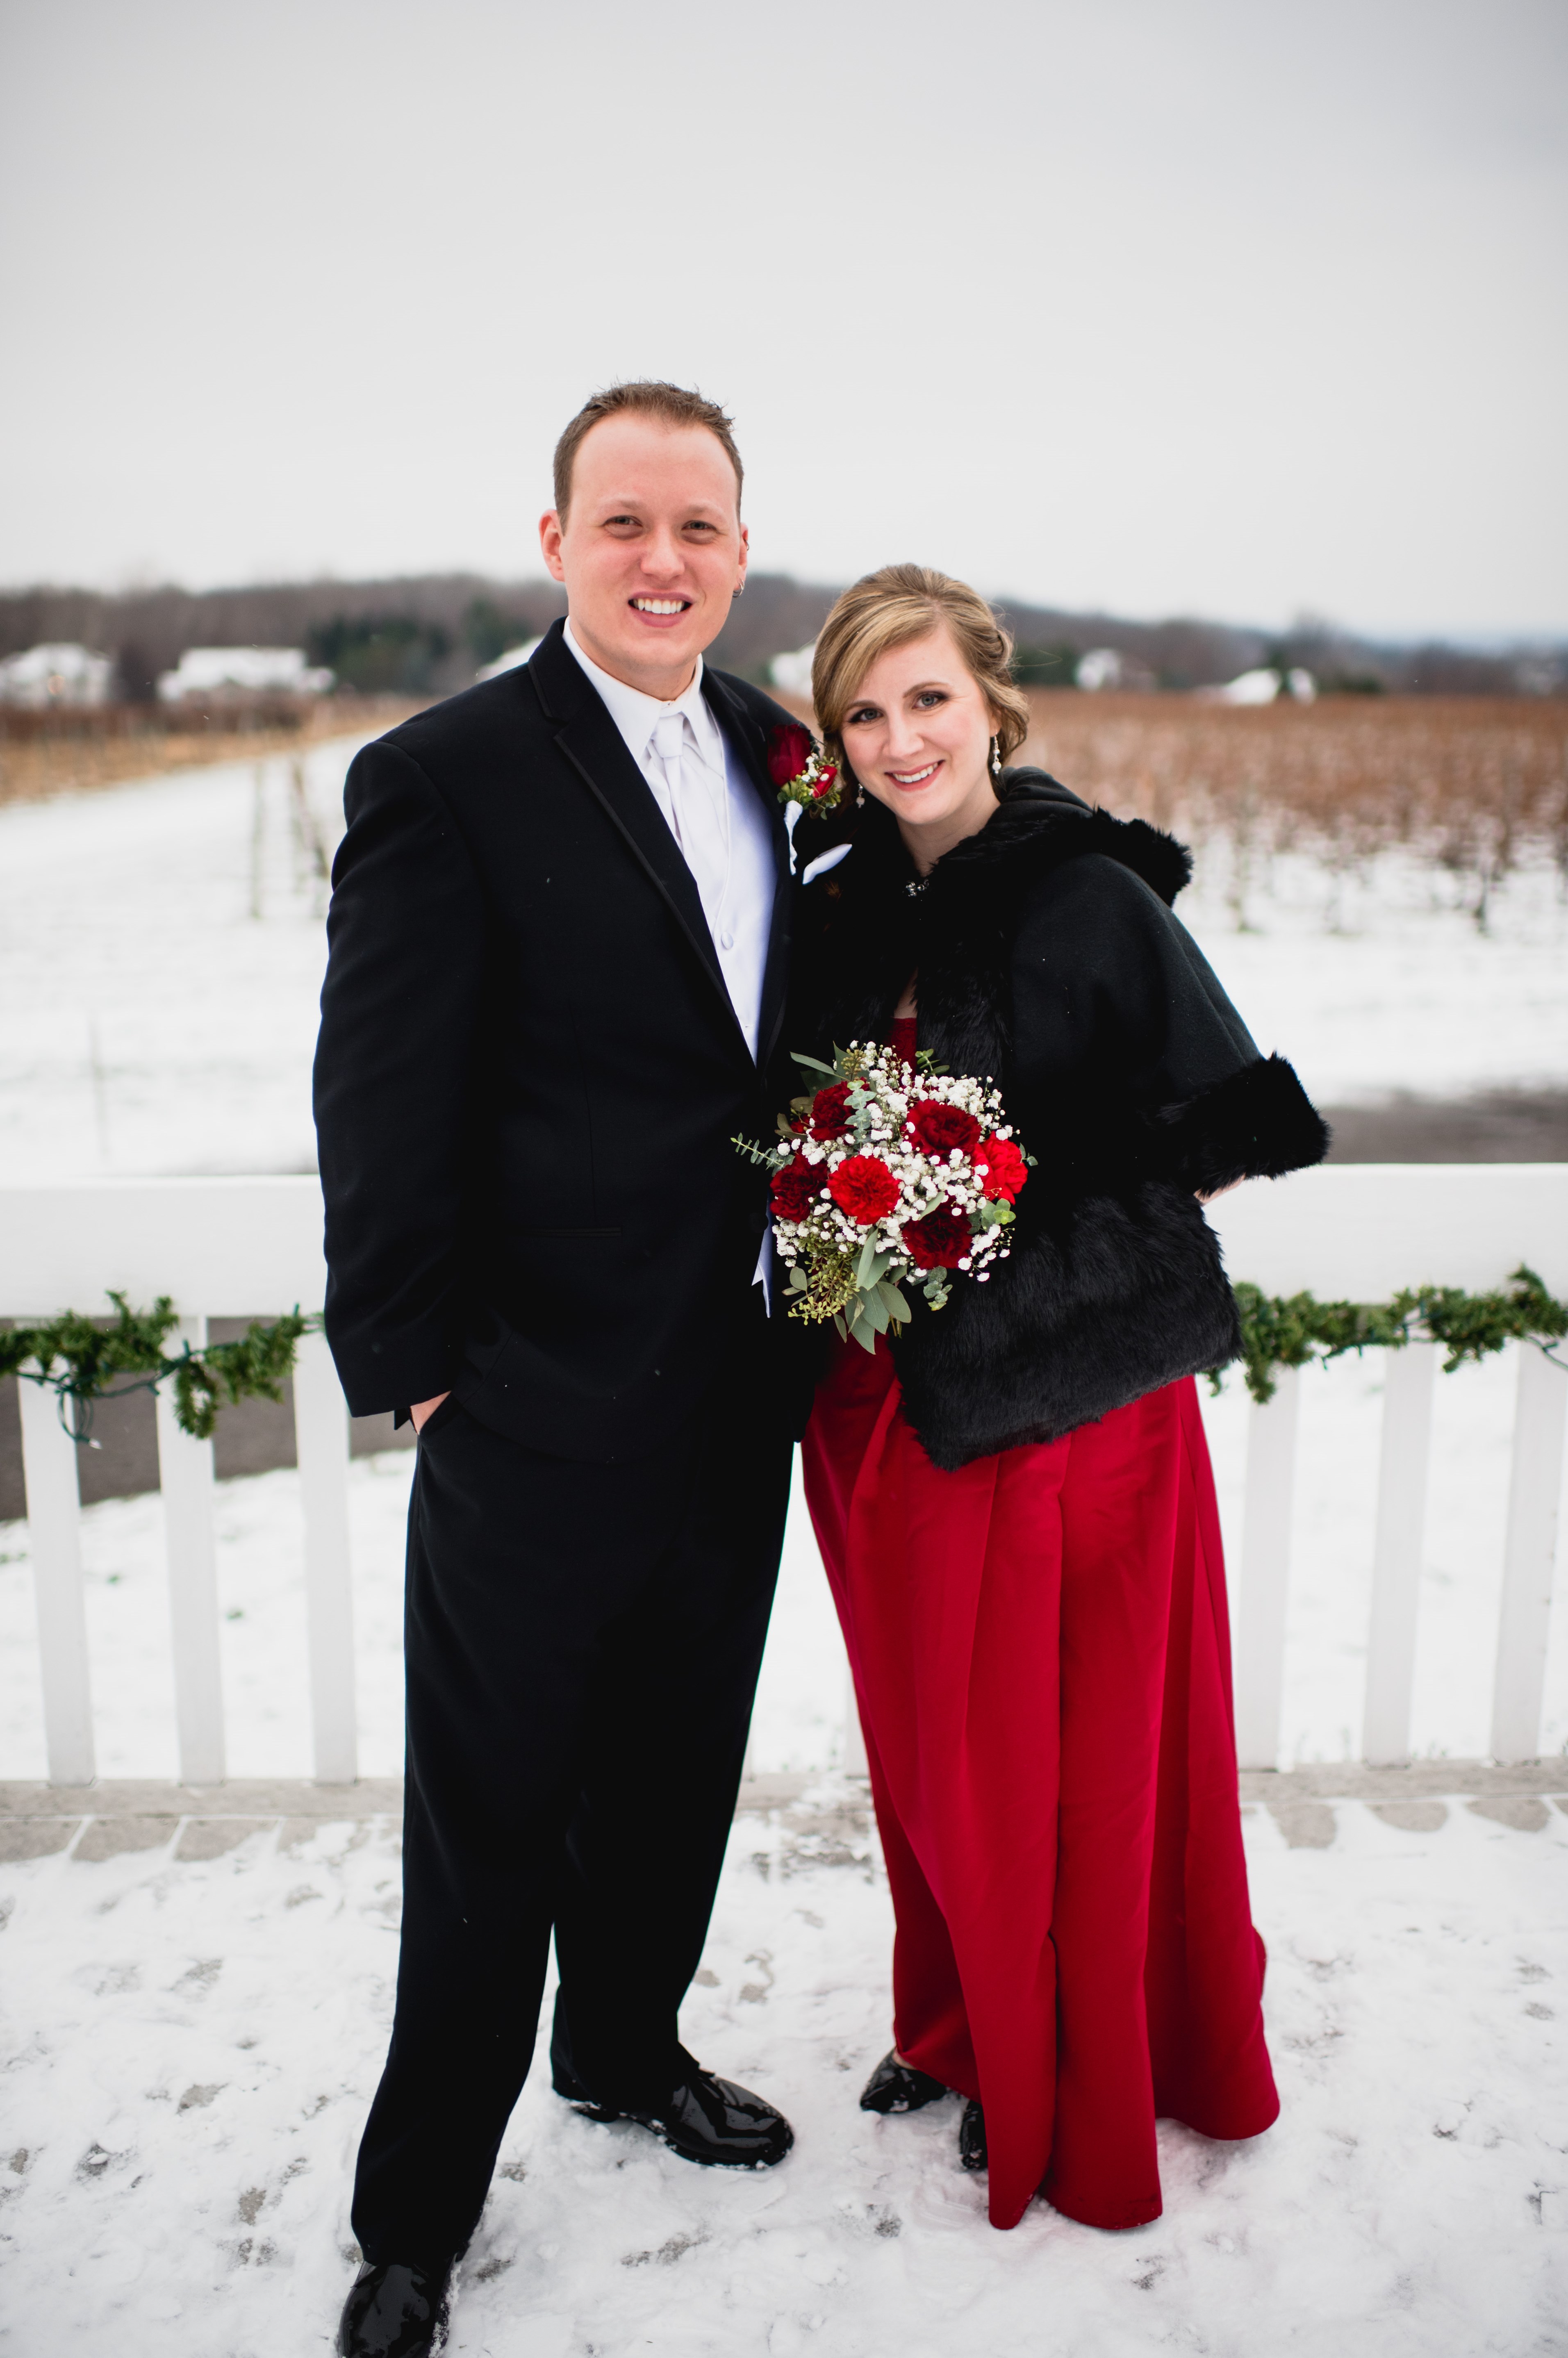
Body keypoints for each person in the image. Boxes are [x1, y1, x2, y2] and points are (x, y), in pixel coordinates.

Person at [314, 382, 812, 2358]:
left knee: (680, 1765)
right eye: (624, 521)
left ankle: (625, 2048)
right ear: (556, 541)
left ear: (741, 551)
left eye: (697, 526)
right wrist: (423, 1369)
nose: (661, 559)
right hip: (532, 1396)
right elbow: (378, 1095)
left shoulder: (785, 754)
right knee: (491, 1817)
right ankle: (417, 2215)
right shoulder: (445, 773)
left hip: (743, 1381)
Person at [789, 564, 1329, 2234]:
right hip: (874, 1402)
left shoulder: (1090, 891)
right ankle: (965, 2020)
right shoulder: (841, 902)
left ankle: (1066, 2058)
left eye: (928, 699)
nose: (901, 738)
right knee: (931, 1748)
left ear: (993, 706)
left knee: (1057, 1757)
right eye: (865, 714)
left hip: (1062, 1414)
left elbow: (1233, 1132)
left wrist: (1003, 1227)